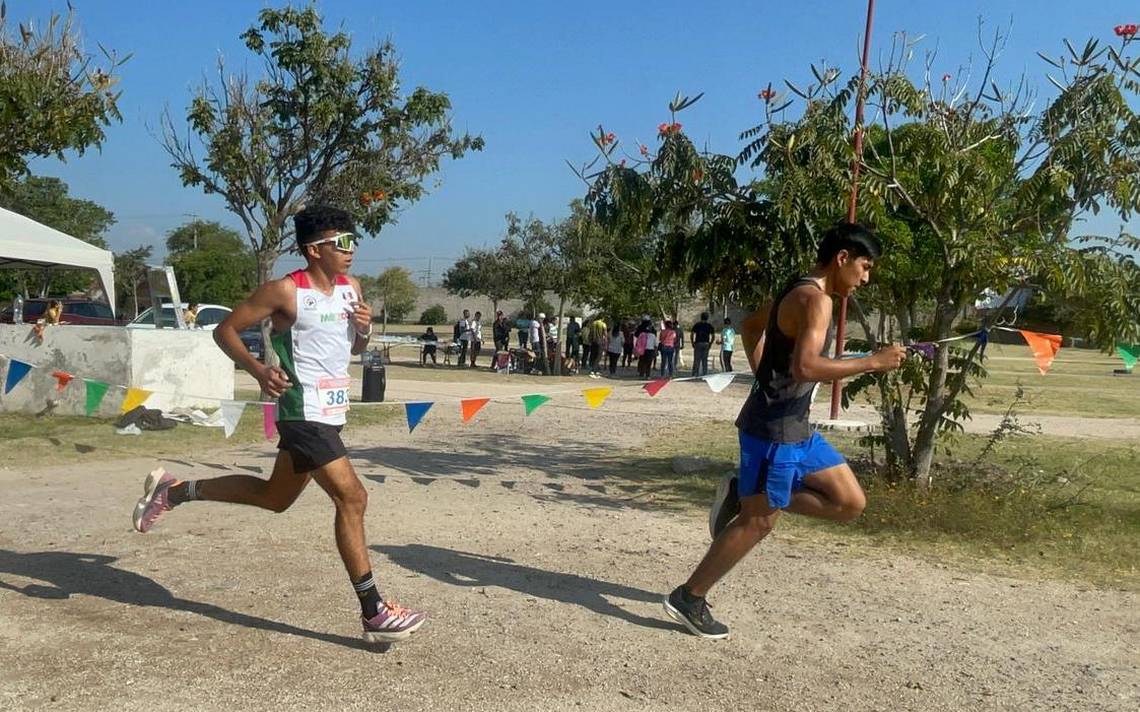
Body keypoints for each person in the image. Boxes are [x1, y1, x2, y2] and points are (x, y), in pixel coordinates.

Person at [130, 205, 426, 644]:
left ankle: (175, 491)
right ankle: (373, 611)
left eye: (352, 241)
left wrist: (364, 330)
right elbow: (225, 330)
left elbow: (356, 347)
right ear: (313, 249)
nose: (351, 250)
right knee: (353, 498)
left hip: (332, 413)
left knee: (274, 497)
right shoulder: (285, 291)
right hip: (301, 412)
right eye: (340, 243)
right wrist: (257, 370)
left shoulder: (352, 288)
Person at [662, 222, 906, 640]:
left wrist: (764, 376)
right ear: (842, 258)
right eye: (865, 267)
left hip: (795, 425)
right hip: (772, 431)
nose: (866, 278)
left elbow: (752, 328)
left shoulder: (798, 289)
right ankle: (689, 597)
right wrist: (872, 362)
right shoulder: (816, 300)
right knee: (759, 522)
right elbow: (806, 367)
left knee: (849, 502)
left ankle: (745, 492)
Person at [690, 312, 714, 377]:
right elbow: (713, 335)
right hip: (706, 344)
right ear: (707, 318)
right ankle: (704, 374)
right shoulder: (709, 326)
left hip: (698, 343)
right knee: (704, 360)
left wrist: (692, 342)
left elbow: (692, 334)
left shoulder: (697, 325)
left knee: (696, 359)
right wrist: (710, 343)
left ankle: (695, 373)